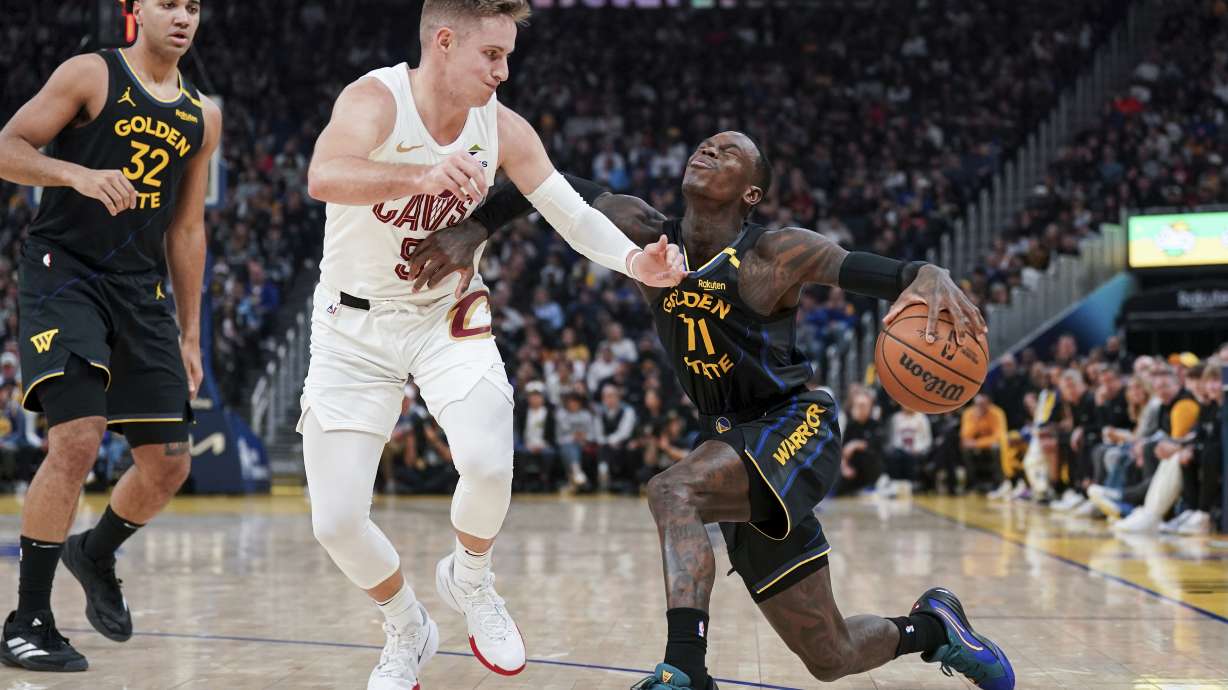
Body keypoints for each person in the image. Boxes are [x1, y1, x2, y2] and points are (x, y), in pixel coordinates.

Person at [419, 130, 1013, 689]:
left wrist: (925, 272)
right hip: (729, 444)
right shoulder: (642, 232)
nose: (709, 148)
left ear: (751, 192)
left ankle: (685, 671)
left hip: (794, 423)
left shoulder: (775, 254)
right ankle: (935, 628)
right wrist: (477, 227)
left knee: (673, 491)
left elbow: (866, 268)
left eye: (728, 152)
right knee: (830, 655)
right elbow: (548, 183)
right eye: (706, 144)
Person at [297, 1, 685, 687]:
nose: (504, 71)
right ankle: (407, 626)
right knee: (335, 523)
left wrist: (635, 263)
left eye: (508, 55)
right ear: (445, 41)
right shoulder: (375, 100)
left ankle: (471, 579)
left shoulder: (501, 127)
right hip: (352, 326)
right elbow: (324, 175)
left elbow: (569, 212)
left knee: (485, 461)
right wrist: (418, 176)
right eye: (492, 55)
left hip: (446, 315)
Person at [0, 0, 220, 672]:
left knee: (170, 463)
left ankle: (94, 553)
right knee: (77, 436)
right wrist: (75, 174)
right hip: (64, 272)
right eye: (168, 3)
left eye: (193, 6)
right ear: (137, 10)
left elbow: (188, 228)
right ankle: (27, 619)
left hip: (140, 288)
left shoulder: (201, 115)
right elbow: (8, 146)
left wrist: (190, 333)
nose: (182, 16)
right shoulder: (91, 74)